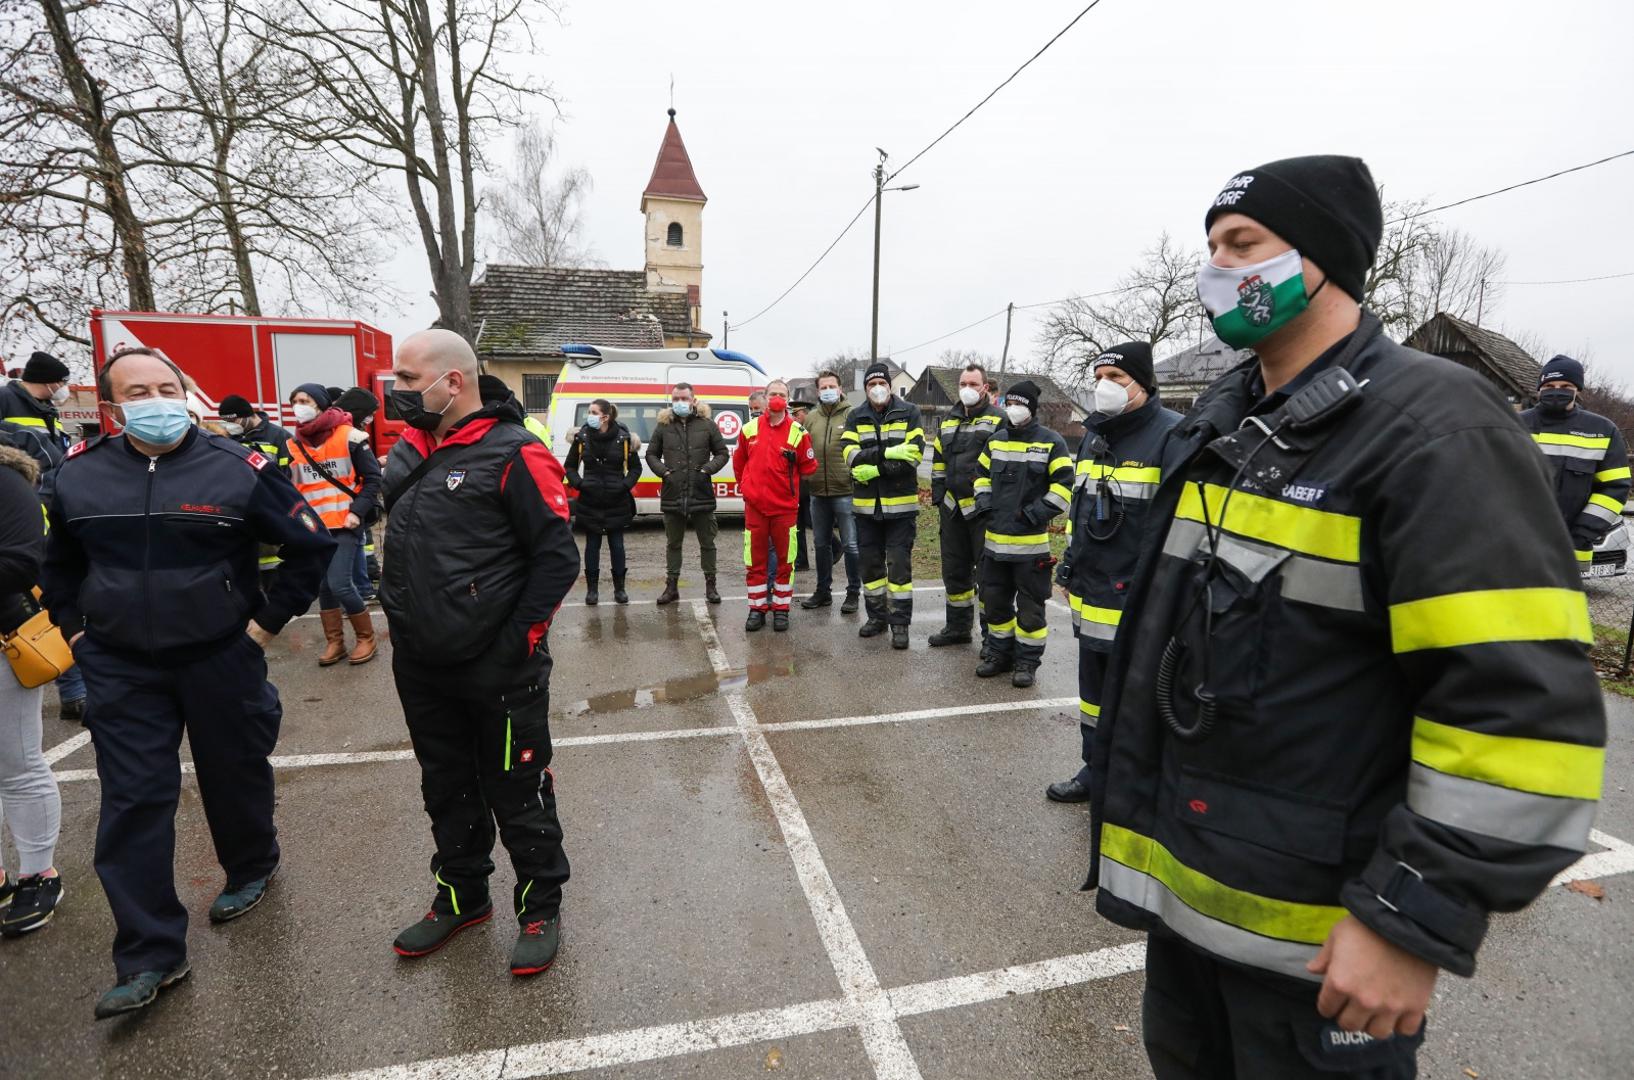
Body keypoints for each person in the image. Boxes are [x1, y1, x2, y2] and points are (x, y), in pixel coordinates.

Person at [1091, 156, 1605, 1079]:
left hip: (1326, 952)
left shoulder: (1437, 428)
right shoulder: (1228, 422)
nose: (1218, 269)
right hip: (1200, 915)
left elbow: (1520, 717)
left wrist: (1413, 919)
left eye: (1242, 245)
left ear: (1322, 259)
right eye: (1210, 247)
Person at [41, 346, 334, 1018]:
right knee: (133, 801)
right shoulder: (78, 478)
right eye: (139, 391)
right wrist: (77, 631)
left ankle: (252, 864)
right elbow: (58, 566)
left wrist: (260, 626)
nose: (158, 400)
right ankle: (150, 955)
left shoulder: (239, 467)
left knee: (233, 772)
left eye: (167, 386)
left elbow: (310, 546)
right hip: (119, 663)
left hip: (218, 655)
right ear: (113, 408)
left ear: (186, 391)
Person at [378, 329, 577, 977]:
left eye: (408, 379)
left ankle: (539, 904)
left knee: (517, 792)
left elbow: (556, 561)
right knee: (446, 788)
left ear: (452, 382)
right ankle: (462, 896)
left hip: (499, 670)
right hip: (422, 667)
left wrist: (510, 649)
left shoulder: (514, 453)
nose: (397, 390)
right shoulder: (410, 454)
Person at [1047, 342, 1180, 804]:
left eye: (1116, 379)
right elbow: (1082, 511)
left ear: (1143, 384)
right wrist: (1067, 567)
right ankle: (1095, 769)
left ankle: (1139, 779)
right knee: (1093, 692)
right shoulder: (1093, 435)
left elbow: (1175, 529)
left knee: (1142, 693)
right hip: (1091, 592)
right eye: (1100, 376)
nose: (1105, 386)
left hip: (1138, 599)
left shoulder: (1172, 435)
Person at [0, 443, 63, 938]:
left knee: (17, 763)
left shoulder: (7, 484)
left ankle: (38, 873)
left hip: (3, 642)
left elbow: (21, 564)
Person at [971, 380, 1072, 688]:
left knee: (1030, 612)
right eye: (1009, 403)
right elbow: (981, 477)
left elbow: (1063, 489)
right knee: (996, 605)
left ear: (1031, 407)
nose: (1012, 409)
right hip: (995, 546)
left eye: (1019, 404)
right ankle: (999, 655)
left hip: (1030, 550)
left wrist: (1032, 515)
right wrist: (985, 505)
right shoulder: (996, 440)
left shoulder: (1052, 442)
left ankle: (1027, 661)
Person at [1, 352, 78, 722]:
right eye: (61, 381)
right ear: (49, 380)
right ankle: (74, 689)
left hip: (52, 520)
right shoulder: (7, 402)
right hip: (29, 522)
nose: (64, 389)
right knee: (47, 608)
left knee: (62, 605)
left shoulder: (47, 409)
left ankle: (75, 691)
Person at [287, 383, 382, 666]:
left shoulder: (350, 436)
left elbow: (373, 479)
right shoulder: (293, 444)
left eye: (305, 400)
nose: (298, 405)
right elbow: (292, 488)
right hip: (314, 528)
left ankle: (366, 638)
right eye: (295, 400)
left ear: (321, 404)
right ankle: (335, 642)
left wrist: (358, 511)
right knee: (325, 587)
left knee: (340, 583)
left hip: (345, 522)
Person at [842, 361, 925, 649]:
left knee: (899, 570)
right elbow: (851, 456)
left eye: (882, 384)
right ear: (865, 389)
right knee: (871, 568)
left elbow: (913, 457)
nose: (877, 389)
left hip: (901, 509)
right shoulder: (855, 416)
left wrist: (876, 468)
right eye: (871, 385)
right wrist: (889, 451)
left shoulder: (910, 412)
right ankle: (877, 618)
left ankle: (900, 624)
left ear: (889, 386)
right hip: (866, 509)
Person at [1519, 356, 1631, 570]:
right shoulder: (1513, 424)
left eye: (1565, 386)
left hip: (1571, 547)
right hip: (1514, 543)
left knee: (1563, 603)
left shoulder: (1602, 430)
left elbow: (1616, 488)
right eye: (1549, 385)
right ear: (1539, 388)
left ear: (1577, 389)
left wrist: (1584, 532)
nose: (1556, 390)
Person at [928, 363, 1003, 648]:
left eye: (973, 384)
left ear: (985, 387)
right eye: (963, 384)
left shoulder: (999, 420)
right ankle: (958, 628)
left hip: (983, 512)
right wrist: (938, 497)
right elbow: (938, 463)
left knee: (988, 576)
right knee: (955, 571)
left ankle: (990, 635)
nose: (967, 389)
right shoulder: (948, 421)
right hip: (952, 510)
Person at [733, 379, 817, 631]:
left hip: (784, 510)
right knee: (755, 562)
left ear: (787, 399)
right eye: (773, 393)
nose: (777, 397)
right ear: (766, 398)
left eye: (781, 393)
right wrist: (748, 489)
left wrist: (792, 464)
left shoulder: (799, 433)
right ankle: (757, 609)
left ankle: (781, 609)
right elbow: (739, 464)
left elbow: (809, 467)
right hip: (756, 509)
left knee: (785, 561)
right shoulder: (748, 430)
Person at [646, 382, 729, 605]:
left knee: (708, 543)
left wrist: (706, 470)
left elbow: (722, 454)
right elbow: (651, 454)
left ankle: (711, 586)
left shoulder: (708, 425)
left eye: (684, 398)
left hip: (701, 492)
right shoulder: (663, 426)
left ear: (693, 400)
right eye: (676, 399)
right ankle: (671, 587)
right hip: (673, 493)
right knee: (673, 544)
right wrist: (664, 473)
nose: (680, 403)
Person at [563, 398, 640, 605]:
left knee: (617, 545)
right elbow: (569, 466)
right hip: (590, 500)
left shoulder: (624, 438)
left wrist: (624, 486)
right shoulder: (582, 438)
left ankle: (620, 590)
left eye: (593, 412)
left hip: (617, 500)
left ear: (605, 417)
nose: (590, 416)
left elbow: (635, 469)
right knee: (592, 545)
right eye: (589, 411)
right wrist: (580, 484)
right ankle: (592, 590)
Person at [802, 371, 862, 612]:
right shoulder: (811, 418)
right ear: (818, 391)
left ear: (840, 388)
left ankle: (853, 593)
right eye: (823, 387)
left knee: (850, 545)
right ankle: (823, 591)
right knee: (821, 544)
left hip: (845, 491)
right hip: (817, 492)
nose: (828, 390)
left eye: (832, 386)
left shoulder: (852, 415)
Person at [334, 388, 383, 602]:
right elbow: (371, 477)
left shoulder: (336, 431)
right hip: (348, 509)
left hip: (341, 509)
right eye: (370, 413)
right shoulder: (350, 435)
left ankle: (362, 588)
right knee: (342, 577)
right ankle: (360, 593)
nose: (371, 419)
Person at [217, 394, 293, 468]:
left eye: (232, 420)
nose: (230, 425)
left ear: (246, 415)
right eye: (226, 421)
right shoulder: (230, 437)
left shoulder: (280, 436)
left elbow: (287, 473)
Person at [789, 399, 815, 571]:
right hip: (800, 484)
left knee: (812, 521)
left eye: (797, 414)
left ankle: (836, 547)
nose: (794, 418)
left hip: (808, 483)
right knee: (800, 523)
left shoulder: (809, 430)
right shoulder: (798, 430)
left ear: (806, 413)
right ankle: (801, 560)